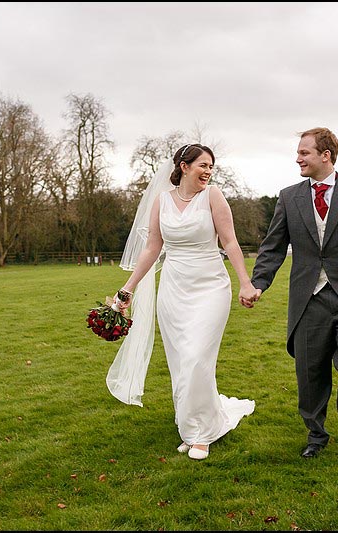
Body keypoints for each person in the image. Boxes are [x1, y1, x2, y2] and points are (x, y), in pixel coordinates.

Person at [243, 127, 338, 458]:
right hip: (308, 298)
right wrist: (258, 284)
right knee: (310, 371)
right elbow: (273, 247)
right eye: (298, 152)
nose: (298, 158)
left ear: (326, 155)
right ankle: (316, 433)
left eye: (304, 152)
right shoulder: (289, 197)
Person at [106, 143, 258, 460]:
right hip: (174, 290)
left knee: (196, 356)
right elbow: (152, 248)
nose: (208, 172)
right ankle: (191, 427)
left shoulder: (213, 196)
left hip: (211, 287)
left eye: (211, 167)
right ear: (184, 166)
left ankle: (202, 434)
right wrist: (128, 288)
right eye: (203, 165)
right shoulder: (162, 201)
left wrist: (245, 282)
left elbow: (229, 240)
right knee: (180, 362)